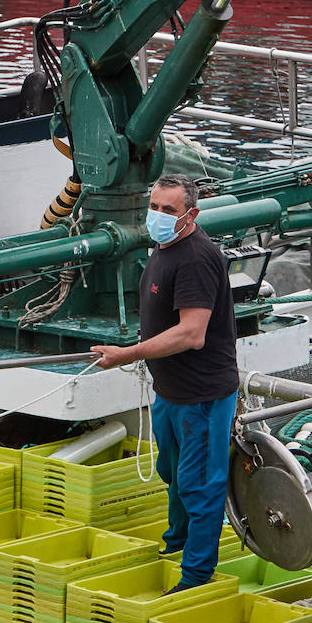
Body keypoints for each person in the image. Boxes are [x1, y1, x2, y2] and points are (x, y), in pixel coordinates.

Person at [91, 173, 238, 594]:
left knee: (200, 484)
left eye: (168, 210)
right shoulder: (163, 247)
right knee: (171, 470)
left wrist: (127, 355)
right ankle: (176, 543)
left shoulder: (194, 258)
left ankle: (195, 575)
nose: (156, 215)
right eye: (153, 206)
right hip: (169, 391)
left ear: (189, 215)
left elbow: (192, 332)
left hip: (202, 396)